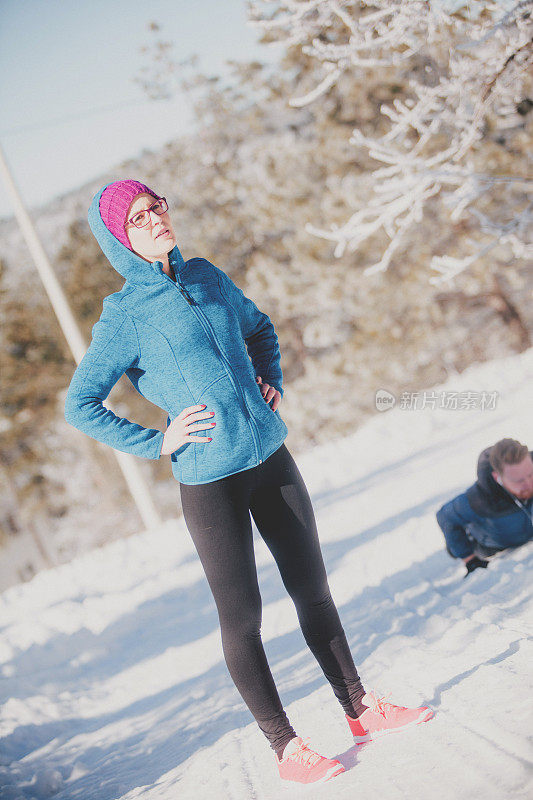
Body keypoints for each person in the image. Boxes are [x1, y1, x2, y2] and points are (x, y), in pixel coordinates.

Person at [64, 179, 433, 784]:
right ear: (120, 240)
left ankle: (361, 708)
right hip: (210, 484)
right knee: (243, 619)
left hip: (270, 457)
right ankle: (286, 747)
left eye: (158, 205)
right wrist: (158, 440)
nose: (156, 219)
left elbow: (260, 328)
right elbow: (81, 403)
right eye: (139, 217)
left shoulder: (207, 277)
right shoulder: (124, 317)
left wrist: (272, 379)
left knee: (312, 587)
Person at [436, 438, 533, 577]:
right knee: (454, 546)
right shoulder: (479, 498)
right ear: (497, 477)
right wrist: (469, 559)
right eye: (518, 480)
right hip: (492, 545)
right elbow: (444, 516)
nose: (528, 483)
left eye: (530, 474)